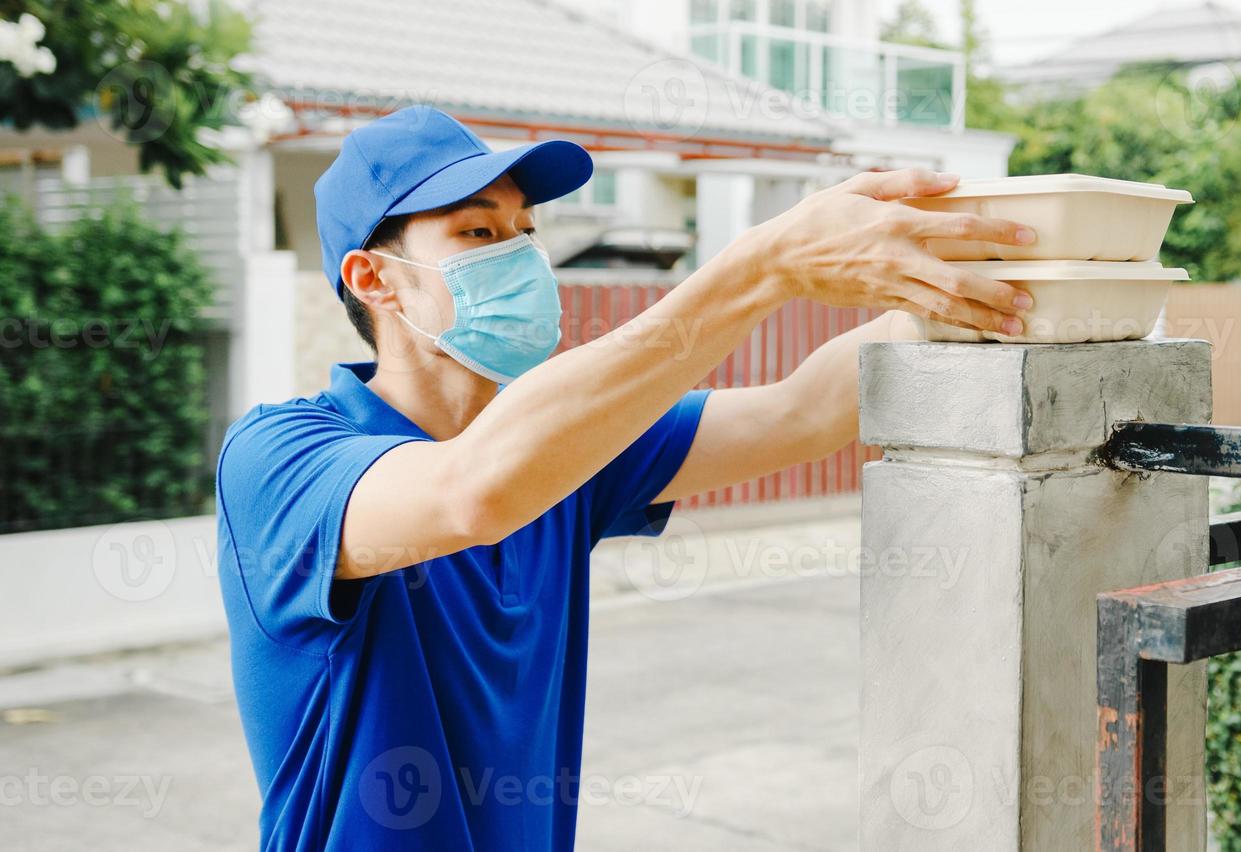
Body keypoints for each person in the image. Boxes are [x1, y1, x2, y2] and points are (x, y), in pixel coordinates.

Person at [214, 106, 1036, 850]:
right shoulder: (280, 460)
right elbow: (471, 494)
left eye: (523, 231)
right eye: (476, 233)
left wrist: (985, 291)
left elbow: (803, 412)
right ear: (374, 279)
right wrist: (764, 266)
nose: (520, 256)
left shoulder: (567, 442)